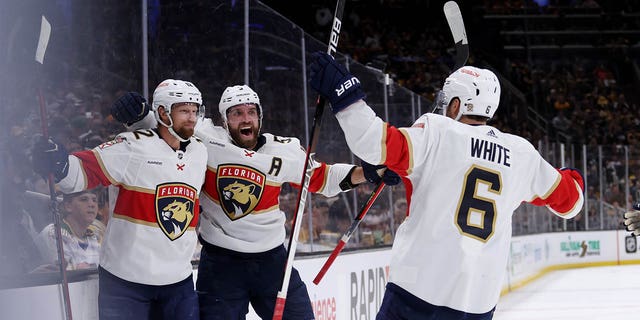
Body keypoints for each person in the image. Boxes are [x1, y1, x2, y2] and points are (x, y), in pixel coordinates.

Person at [309, 52, 585, 320]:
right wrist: (568, 175)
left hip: (417, 292)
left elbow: (372, 141)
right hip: (477, 304)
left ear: (456, 105)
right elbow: (572, 203)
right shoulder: (521, 154)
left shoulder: (437, 130)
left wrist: (344, 93)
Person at [110, 84, 401, 319]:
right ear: (224, 120)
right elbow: (169, 128)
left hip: (272, 263)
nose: (246, 118)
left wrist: (370, 173)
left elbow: (323, 179)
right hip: (221, 265)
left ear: (260, 117)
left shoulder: (285, 149)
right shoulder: (205, 139)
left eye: (251, 112)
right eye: (237, 113)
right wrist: (139, 114)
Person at [32, 79, 207, 320]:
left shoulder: (200, 150)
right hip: (126, 283)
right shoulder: (132, 147)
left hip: (178, 282)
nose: (191, 118)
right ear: (163, 112)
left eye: (195, 111)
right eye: (184, 110)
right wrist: (59, 163)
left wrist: (143, 117)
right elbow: (80, 174)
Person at [35, 189, 101, 271]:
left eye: (94, 200)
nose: (92, 204)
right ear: (68, 206)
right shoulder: (54, 233)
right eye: (84, 199)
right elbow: (66, 273)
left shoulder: (94, 237)